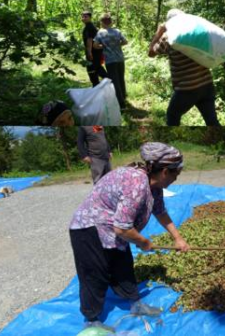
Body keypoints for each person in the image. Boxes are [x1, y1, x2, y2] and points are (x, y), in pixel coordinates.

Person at [68, 142, 191, 331]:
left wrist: (178, 238)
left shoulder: (154, 184)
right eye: (176, 174)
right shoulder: (137, 183)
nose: (177, 178)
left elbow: (160, 211)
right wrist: (144, 242)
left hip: (112, 228)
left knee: (123, 266)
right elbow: (123, 229)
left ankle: (135, 303)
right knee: (95, 275)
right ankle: (91, 320)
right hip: (89, 228)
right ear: (165, 171)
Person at [148, 9, 220, 126]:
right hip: (206, 84)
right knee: (212, 121)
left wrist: (159, 33)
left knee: (172, 116)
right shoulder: (197, 34)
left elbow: (151, 53)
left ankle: (170, 141)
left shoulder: (169, 37)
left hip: (187, 88)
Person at [94, 14, 128, 109]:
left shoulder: (100, 33)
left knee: (115, 81)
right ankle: (124, 97)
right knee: (121, 78)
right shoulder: (117, 31)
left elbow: (95, 45)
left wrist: (103, 46)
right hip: (120, 59)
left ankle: (121, 105)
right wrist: (117, 45)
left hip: (110, 60)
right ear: (111, 22)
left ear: (102, 22)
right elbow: (125, 42)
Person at [81, 10, 107, 86]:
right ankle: (100, 85)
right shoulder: (89, 26)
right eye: (82, 16)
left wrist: (89, 52)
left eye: (86, 17)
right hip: (95, 52)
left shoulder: (90, 27)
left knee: (93, 69)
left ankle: (109, 82)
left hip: (93, 52)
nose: (83, 18)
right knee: (97, 68)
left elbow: (89, 40)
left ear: (90, 17)